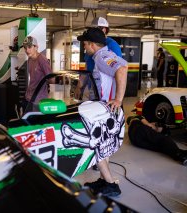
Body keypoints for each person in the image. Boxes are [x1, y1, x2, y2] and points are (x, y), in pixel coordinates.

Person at [77, 28, 128, 197]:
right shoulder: (101, 56)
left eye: (85, 44)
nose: (84, 48)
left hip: (108, 110)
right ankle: (104, 180)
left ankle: (111, 184)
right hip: (105, 109)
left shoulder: (101, 57)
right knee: (103, 148)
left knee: (96, 146)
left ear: (92, 44)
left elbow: (122, 69)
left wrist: (119, 100)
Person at [75, 17, 122, 100]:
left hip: (106, 93)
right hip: (93, 86)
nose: (92, 32)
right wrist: (80, 85)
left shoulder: (112, 46)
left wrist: (117, 98)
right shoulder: (91, 47)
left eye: (95, 29)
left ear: (104, 29)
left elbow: (120, 70)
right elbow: (87, 66)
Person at [21, 36, 53, 113]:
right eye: (25, 47)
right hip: (28, 97)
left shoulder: (42, 60)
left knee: (36, 124)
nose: (27, 50)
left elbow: (52, 79)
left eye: (29, 47)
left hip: (39, 100)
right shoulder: (30, 59)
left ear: (36, 47)